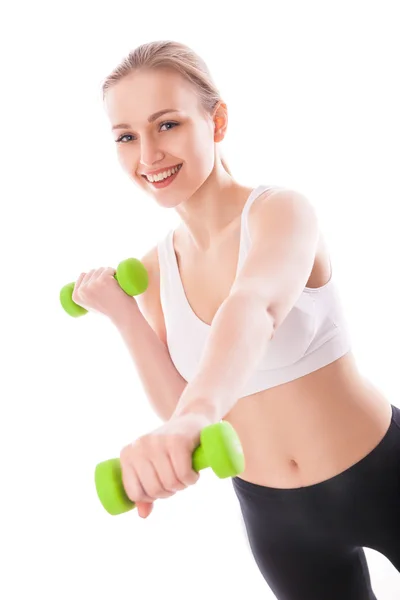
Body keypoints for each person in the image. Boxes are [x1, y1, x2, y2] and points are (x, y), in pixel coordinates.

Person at [72, 40, 400, 599]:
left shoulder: (280, 212)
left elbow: (253, 307)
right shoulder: (154, 271)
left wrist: (196, 414)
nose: (148, 154)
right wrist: (124, 317)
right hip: (274, 514)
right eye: (126, 136)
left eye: (167, 124)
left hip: (382, 476)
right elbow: (183, 403)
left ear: (216, 121)